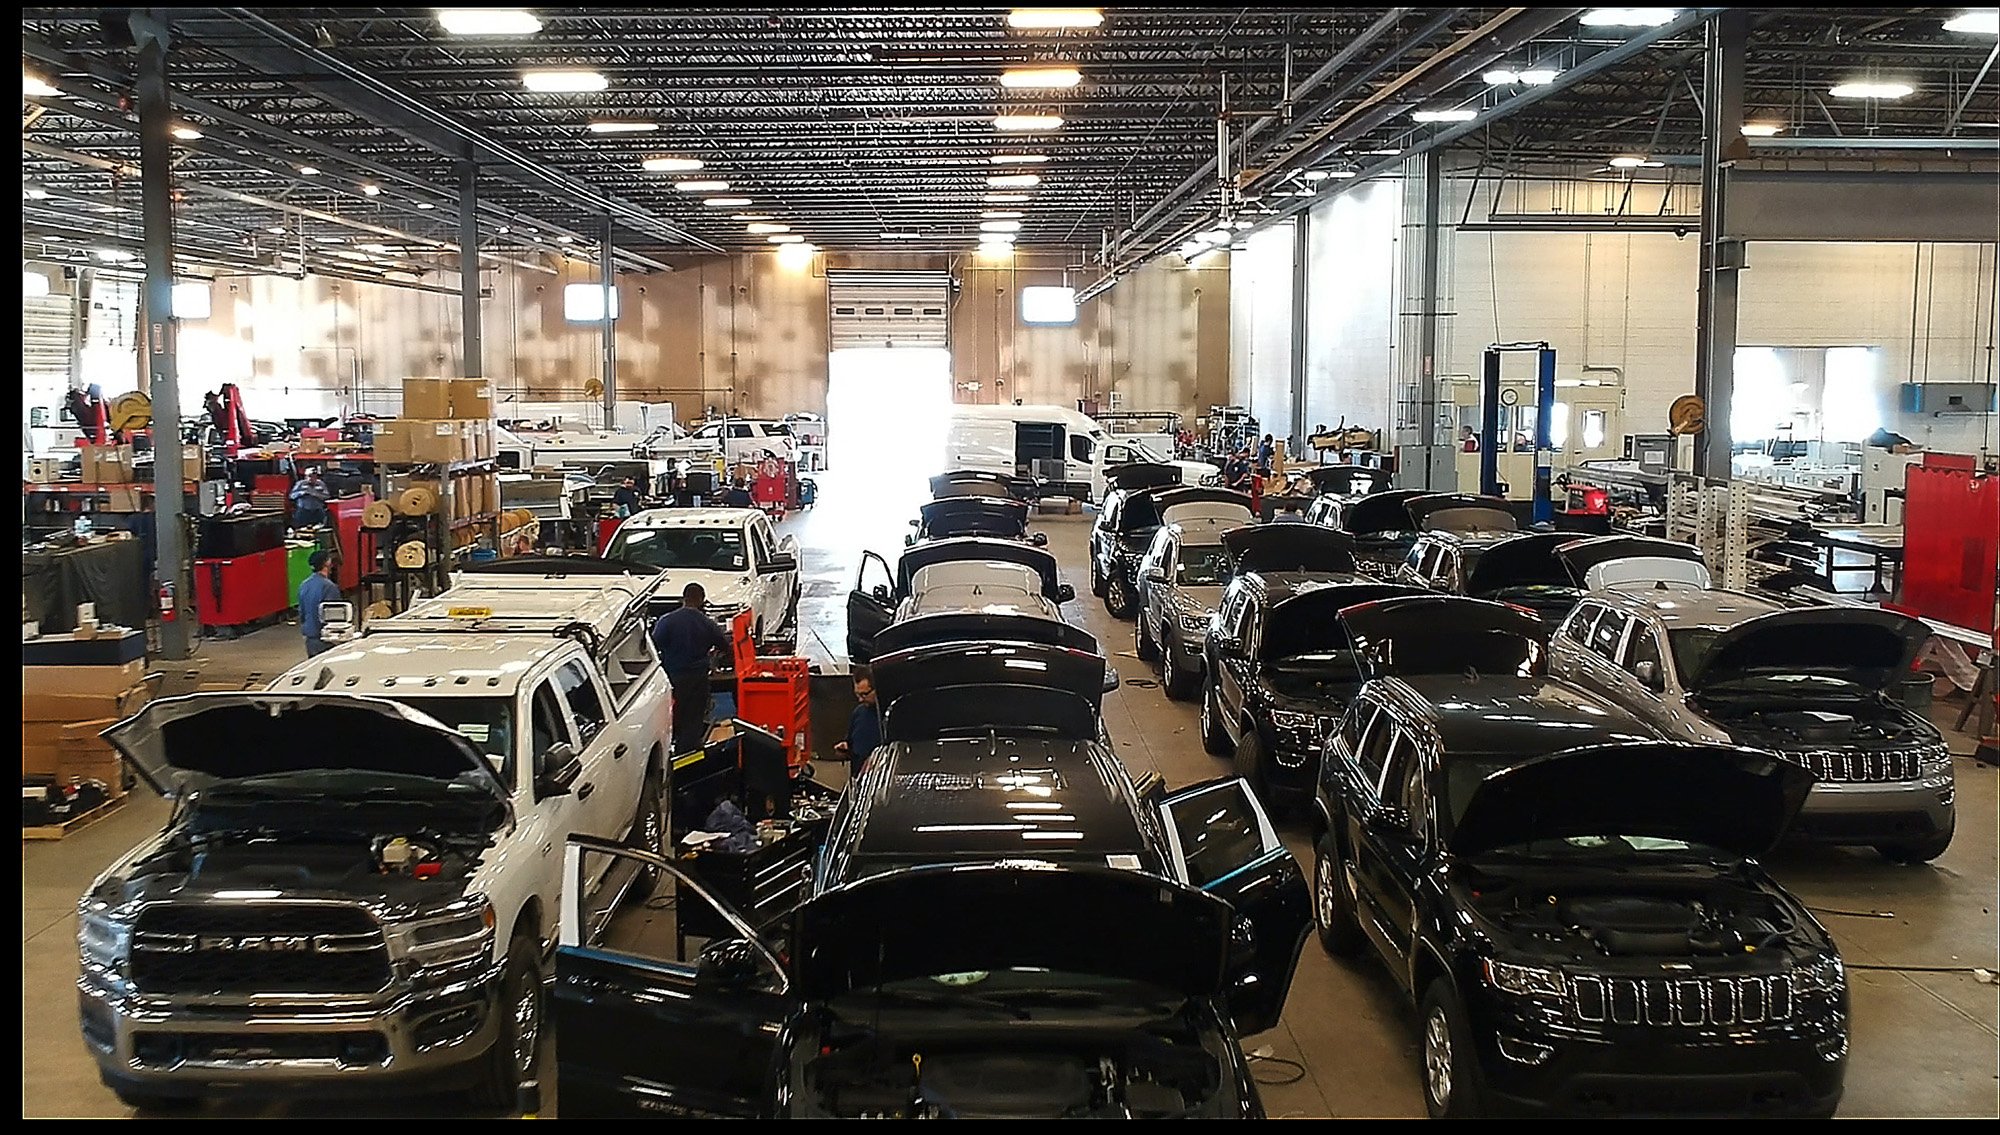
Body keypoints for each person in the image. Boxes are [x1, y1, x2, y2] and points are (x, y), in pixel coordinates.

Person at [651, 581, 733, 756]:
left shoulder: (667, 621)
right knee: (693, 719)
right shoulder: (707, 623)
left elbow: (653, 644)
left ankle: (669, 753)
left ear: (683, 598)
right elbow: (725, 646)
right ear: (702, 600)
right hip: (697, 679)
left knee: (672, 715)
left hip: (672, 678)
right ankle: (687, 758)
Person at [832, 668, 881, 781]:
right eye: (857, 695)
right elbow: (850, 742)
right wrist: (844, 748)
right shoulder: (859, 712)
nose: (860, 699)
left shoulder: (889, 715)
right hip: (859, 779)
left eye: (864, 695)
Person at [298, 549, 340, 658]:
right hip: (326, 640)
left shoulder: (304, 585)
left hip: (310, 640)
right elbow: (333, 617)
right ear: (327, 563)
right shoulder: (329, 587)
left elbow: (302, 613)